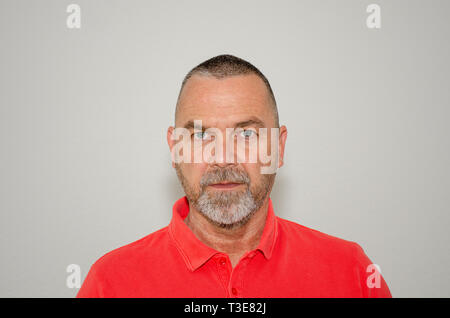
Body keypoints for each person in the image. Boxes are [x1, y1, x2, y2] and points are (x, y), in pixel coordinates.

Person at [77, 54, 391, 297]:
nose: (223, 157)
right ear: (174, 149)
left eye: (247, 135)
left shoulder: (352, 272)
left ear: (279, 147)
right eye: (201, 136)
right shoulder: (109, 283)